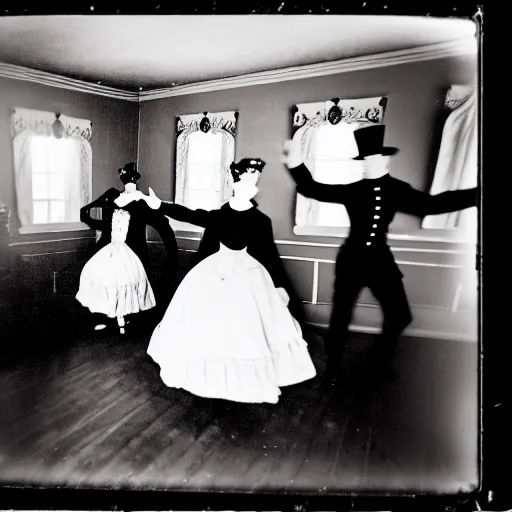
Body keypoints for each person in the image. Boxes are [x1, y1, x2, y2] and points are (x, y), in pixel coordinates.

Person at [282, 124, 478, 385]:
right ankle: (333, 367)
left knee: (400, 316)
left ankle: (378, 364)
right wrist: (296, 164)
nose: (366, 165)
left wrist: (477, 193)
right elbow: (314, 189)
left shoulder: (397, 189)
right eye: (363, 159)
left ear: (384, 159)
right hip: (351, 260)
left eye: (371, 159)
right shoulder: (353, 189)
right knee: (341, 315)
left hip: (380, 261)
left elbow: (433, 205)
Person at [144, 158, 317, 404]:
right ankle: (209, 374)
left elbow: (270, 255)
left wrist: (279, 285)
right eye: (247, 177)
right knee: (210, 323)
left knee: (243, 328)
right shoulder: (221, 215)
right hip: (214, 272)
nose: (251, 182)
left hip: (249, 275)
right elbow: (192, 215)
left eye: (255, 178)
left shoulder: (260, 220)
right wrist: (159, 204)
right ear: (236, 181)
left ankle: (242, 378)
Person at [77, 162, 178, 331]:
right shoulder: (113, 196)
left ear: (134, 179)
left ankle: (127, 321)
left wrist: (171, 253)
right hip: (110, 250)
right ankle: (109, 317)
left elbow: (163, 226)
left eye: (130, 176)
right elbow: (86, 213)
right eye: (126, 176)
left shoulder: (142, 202)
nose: (128, 180)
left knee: (131, 288)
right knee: (106, 281)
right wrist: (101, 225)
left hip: (134, 254)